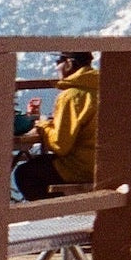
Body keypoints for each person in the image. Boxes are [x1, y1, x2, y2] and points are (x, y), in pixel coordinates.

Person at [14, 51, 99, 200]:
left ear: (69, 64)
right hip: (101, 164)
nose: (56, 67)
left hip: (80, 168)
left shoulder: (71, 96)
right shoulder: (101, 89)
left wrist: (43, 125)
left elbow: (60, 144)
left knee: (25, 173)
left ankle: (51, 215)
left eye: (58, 62)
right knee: (40, 165)